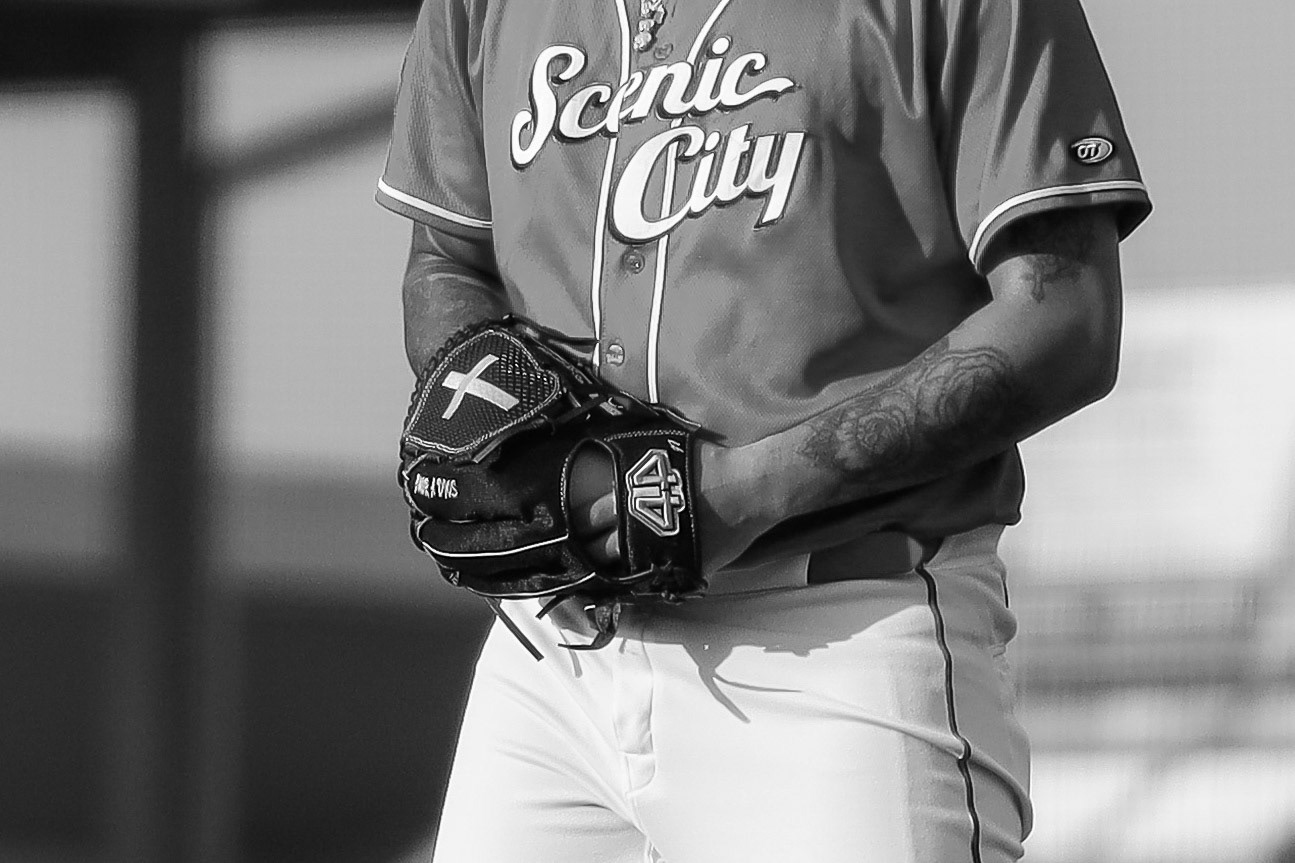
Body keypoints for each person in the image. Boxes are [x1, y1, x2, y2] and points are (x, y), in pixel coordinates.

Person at [377, 0, 1151, 860]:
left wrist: (744, 490)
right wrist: (496, 419)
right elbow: (446, 256)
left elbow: (1065, 321)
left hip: (838, 642)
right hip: (551, 653)